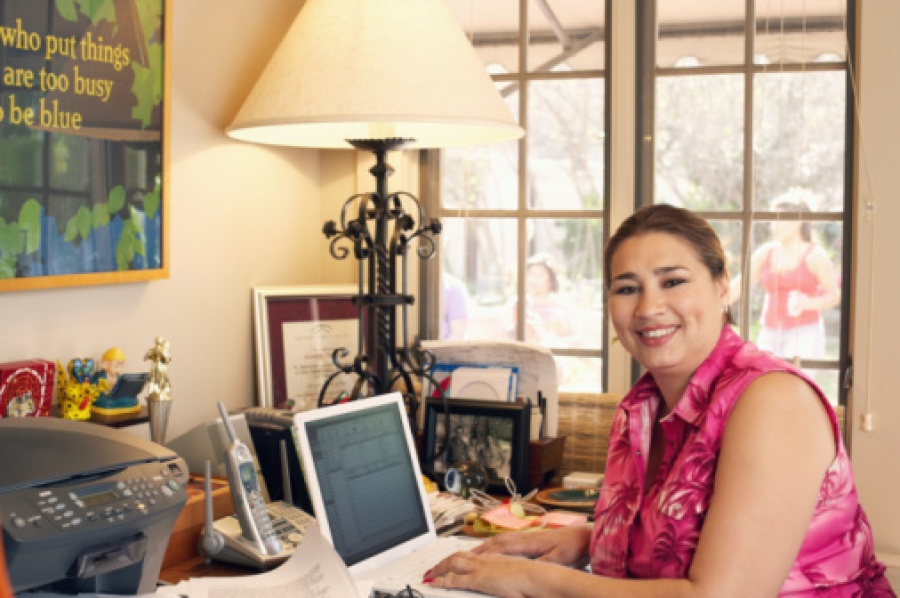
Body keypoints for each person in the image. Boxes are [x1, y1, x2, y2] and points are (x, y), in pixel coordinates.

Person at [424, 204, 892, 596]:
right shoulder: (642, 406)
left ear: (722, 284)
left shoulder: (772, 401)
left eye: (672, 282)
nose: (648, 308)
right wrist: (587, 539)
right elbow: (684, 537)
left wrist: (530, 578)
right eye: (627, 288)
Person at [729, 192, 841, 361]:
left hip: (804, 331)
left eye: (779, 219)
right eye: (772, 220)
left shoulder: (815, 255)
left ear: (797, 221)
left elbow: (834, 296)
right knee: (767, 380)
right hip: (770, 331)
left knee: (796, 383)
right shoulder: (766, 252)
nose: (773, 226)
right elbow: (739, 285)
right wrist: (711, 306)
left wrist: (808, 303)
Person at [510, 254, 574, 346]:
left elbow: (577, 338)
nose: (534, 279)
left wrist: (554, 342)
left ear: (551, 279)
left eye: (540, 275)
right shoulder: (516, 303)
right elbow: (506, 335)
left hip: (559, 354)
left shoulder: (563, 305)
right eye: (531, 274)